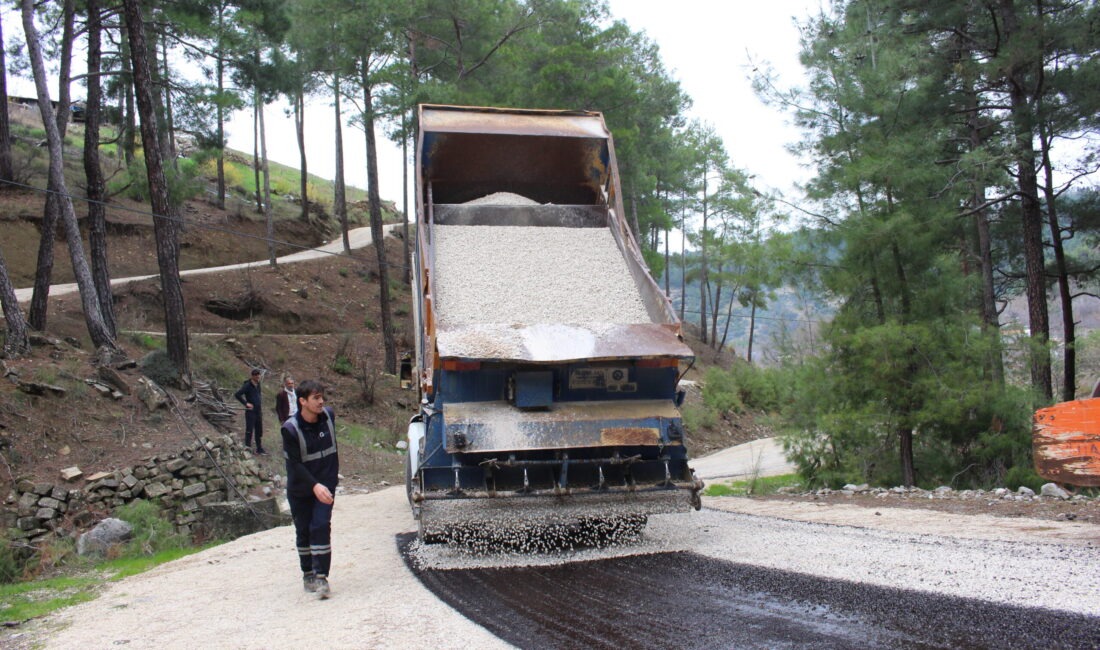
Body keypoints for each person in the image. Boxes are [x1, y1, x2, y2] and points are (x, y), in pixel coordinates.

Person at [281, 380, 339, 599]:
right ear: (302, 401)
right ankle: (308, 573)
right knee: (304, 531)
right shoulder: (290, 430)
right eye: (316, 398)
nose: (321, 401)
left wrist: (326, 484)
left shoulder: (329, 417)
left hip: (325, 487)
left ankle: (322, 577)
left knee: (321, 526)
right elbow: (295, 465)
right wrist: (314, 485)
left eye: (322, 397)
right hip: (301, 489)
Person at [234, 368, 266, 454]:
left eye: (258, 375)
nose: (257, 376)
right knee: (249, 429)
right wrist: (246, 403)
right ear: (252, 376)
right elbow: (237, 394)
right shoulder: (247, 385)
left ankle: (259, 448)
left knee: (259, 430)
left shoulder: (258, 384)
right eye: (256, 375)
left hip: (258, 410)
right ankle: (247, 448)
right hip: (251, 411)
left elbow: (258, 395)